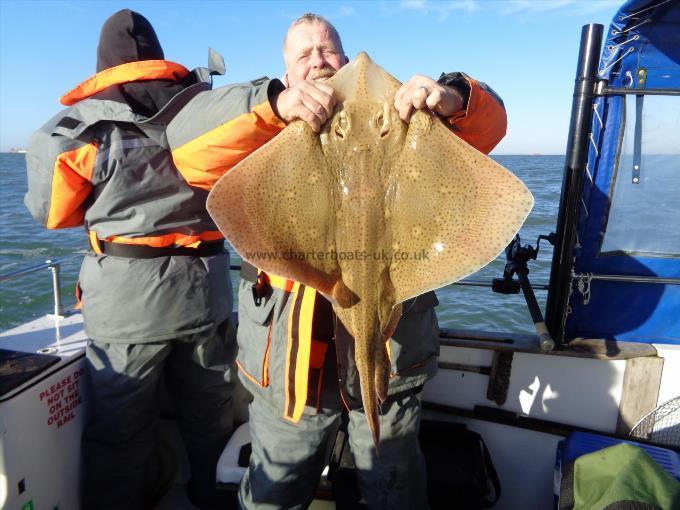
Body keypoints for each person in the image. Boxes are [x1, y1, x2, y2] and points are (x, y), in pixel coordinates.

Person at [167, 13, 507, 509]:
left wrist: (453, 98)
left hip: (393, 351)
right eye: (303, 55)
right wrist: (273, 107)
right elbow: (186, 147)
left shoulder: (405, 118)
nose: (318, 61)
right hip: (291, 370)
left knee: (395, 487)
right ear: (286, 72)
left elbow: (490, 128)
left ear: (344, 60)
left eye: (327, 51)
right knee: (274, 492)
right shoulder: (263, 124)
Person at [24, 10, 237, 510]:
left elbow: (51, 212)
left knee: (121, 436)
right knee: (211, 423)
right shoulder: (203, 114)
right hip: (206, 295)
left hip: (126, 308)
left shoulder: (82, 127)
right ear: (161, 58)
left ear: (104, 64)